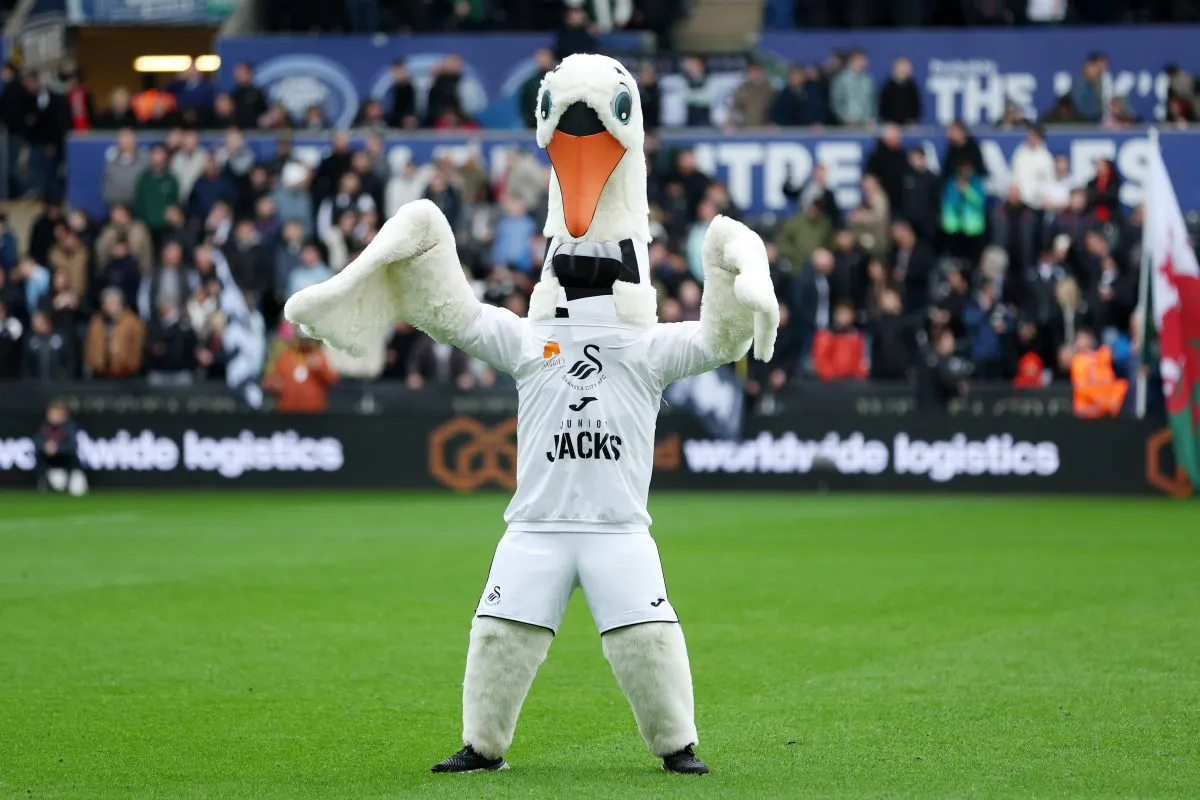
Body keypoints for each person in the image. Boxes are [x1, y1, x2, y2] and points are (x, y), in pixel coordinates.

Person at [263, 329, 339, 412]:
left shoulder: (319, 356)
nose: (306, 342)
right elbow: (272, 380)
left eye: (308, 340)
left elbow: (332, 379)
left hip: (314, 411)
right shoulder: (285, 357)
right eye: (303, 339)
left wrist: (319, 368)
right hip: (288, 410)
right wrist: (273, 385)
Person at [85, 288, 144, 378]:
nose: (105, 307)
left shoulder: (133, 323)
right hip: (100, 374)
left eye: (109, 303)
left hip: (126, 375)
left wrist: (131, 366)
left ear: (119, 303)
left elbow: (137, 349)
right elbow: (90, 347)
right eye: (104, 304)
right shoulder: (96, 323)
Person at [1070, 328, 1127, 418]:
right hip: (1085, 408)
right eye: (1080, 339)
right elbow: (1081, 386)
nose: (1082, 342)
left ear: (1091, 340)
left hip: (1105, 409)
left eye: (1085, 338)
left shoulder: (1103, 356)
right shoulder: (1078, 361)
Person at [34, 400, 87, 496]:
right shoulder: (44, 427)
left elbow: (72, 447)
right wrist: (45, 447)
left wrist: (57, 449)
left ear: (64, 414)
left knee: (77, 491)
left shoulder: (70, 427)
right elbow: (37, 444)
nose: (54, 416)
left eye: (57, 413)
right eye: (51, 413)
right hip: (51, 470)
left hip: (70, 471)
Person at [811, 301, 867, 381]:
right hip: (830, 382)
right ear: (835, 315)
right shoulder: (825, 335)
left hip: (851, 381)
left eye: (848, 314)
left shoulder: (856, 336)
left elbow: (859, 360)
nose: (844, 317)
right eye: (842, 314)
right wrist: (831, 375)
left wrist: (859, 375)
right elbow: (820, 359)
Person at [878, 57, 920, 125]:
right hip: (891, 124)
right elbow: (883, 107)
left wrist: (912, 120)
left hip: (909, 125)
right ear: (895, 69)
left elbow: (917, 106)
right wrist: (888, 121)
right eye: (901, 68)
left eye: (905, 68)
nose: (903, 70)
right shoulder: (888, 87)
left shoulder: (912, 87)